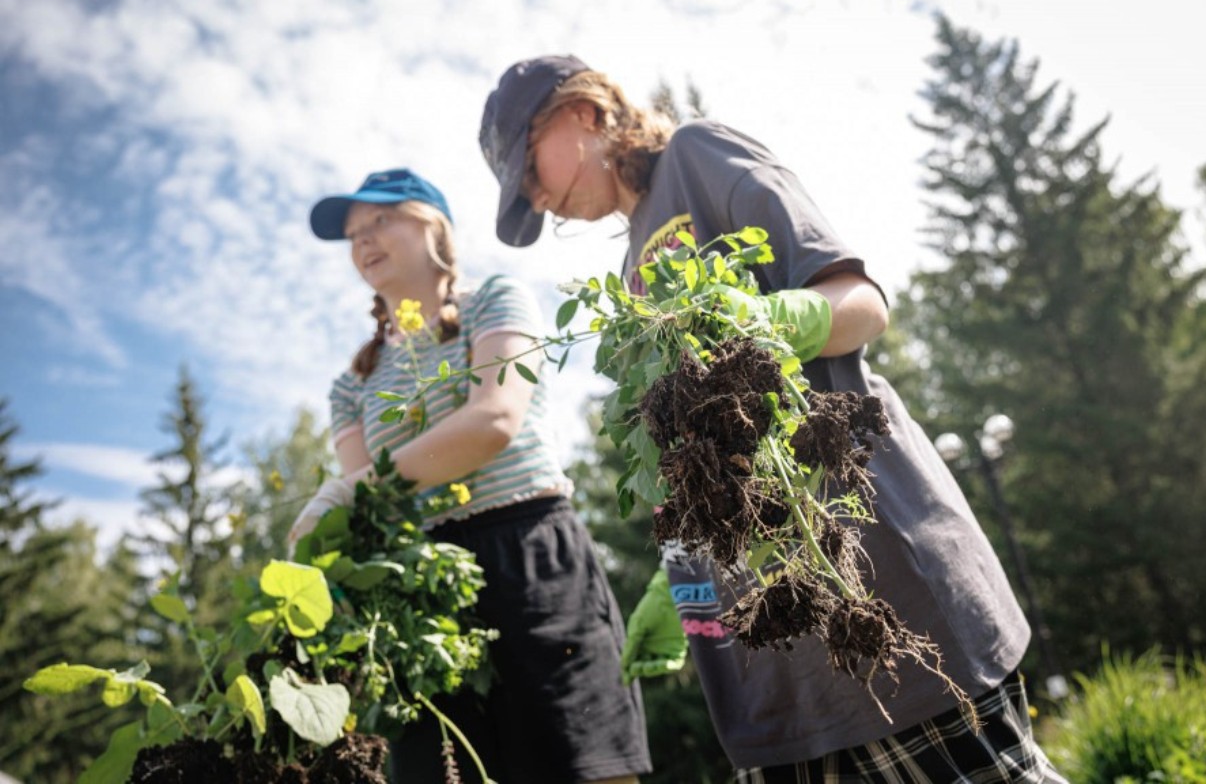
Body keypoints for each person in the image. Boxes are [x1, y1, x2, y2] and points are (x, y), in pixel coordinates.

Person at [479, 56, 1067, 782]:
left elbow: (861, 302)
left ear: (582, 111)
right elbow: (689, 476)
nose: (538, 199)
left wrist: (773, 318)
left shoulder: (696, 157)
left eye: (528, 169)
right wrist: (685, 594)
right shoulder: (633, 279)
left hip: (869, 573)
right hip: (779, 654)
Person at [289, 167, 651, 784]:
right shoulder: (353, 384)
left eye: (380, 220)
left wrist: (347, 490)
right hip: (425, 592)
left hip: (530, 556)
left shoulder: (497, 301)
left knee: (584, 768)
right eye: (352, 236)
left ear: (433, 226)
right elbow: (379, 508)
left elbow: (493, 420)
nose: (364, 242)